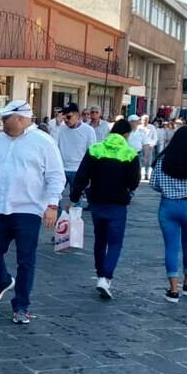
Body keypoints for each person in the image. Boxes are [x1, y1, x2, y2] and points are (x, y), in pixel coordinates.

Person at [0, 100, 64, 324]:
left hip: (28, 208)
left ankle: (21, 305)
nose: (2, 123)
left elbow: (56, 175)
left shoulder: (43, 142)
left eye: (5, 119)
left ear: (19, 118)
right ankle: (2, 280)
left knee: (26, 259)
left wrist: (52, 205)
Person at [68, 118, 140, 299]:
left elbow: (82, 175)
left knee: (100, 239)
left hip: (97, 202)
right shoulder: (130, 153)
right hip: (117, 204)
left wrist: (74, 196)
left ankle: (100, 272)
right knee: (115, 242)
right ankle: (106, 277)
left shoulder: (95, 149)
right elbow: (133, 182)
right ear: (126, 135)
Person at [150, 126, 187, 304]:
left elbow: (153, 184)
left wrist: (168, 189)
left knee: (171, 247)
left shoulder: (163, 160)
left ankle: (173, 289)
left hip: (168, 206)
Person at [54, 103, 97, 209]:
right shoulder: (61, 128)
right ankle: (58, 222)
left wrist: (90, 174)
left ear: (77, 115)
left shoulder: (88, 130)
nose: (66, 120)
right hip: (61, 169)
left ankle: (74, 223)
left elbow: (92, 152)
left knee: (76, 201)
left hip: (79, 170)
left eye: (68, 117)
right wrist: (57, 126)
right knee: (55, 197)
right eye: (64, 117)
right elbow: (52, 146)